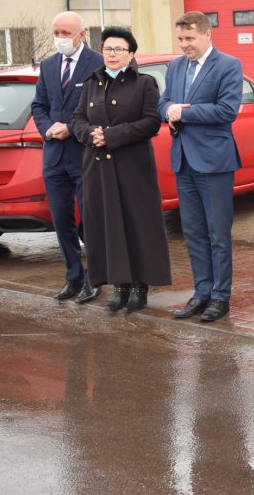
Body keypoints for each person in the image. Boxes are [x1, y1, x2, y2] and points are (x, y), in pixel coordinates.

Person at [69, 27, 172, 313]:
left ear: (130, 54)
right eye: (108, 49)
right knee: (106, 226)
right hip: (97, 167)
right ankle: (119, 286)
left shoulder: (144, 83)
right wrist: (90, 134)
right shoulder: (91, 82)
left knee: (136, 225)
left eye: (119, 49)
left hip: (132, 167)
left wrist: (111, 136)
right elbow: (77, 118)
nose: (112, 54)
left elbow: (151, 122)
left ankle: (140, 287)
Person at [159, 12, 242, 323]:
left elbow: (227, 110)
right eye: (180, 39)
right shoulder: (176, 66)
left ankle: (221, 297)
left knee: (218, 234)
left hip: (215, 163)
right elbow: (163, 103)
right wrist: (168, 109)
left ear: (207, 35)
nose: (184, 45)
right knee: (193, 233)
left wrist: (183, 112)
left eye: (190, 39)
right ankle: (202, 292)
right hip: (183, 160)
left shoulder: (228, 65)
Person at [31, 11, 105, 304]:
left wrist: (71, 130)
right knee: (61, 219)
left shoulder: (97, 64)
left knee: (91, 219)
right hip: (54, 156)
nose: (60, 38)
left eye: (66, 33)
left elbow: (100, 110)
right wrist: (48, 130)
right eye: (56, 32)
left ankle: (97, 277)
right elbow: (39, 105)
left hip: (84, 154)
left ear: (82, 35)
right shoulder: (48, 66)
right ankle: (74, 276)